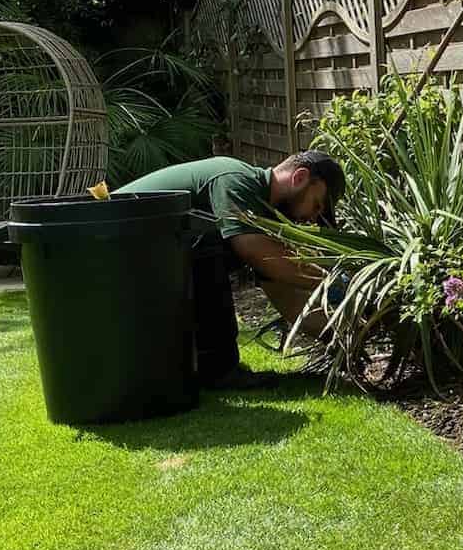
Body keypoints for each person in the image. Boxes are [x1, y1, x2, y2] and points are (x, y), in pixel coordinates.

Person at [118, 150, 344, 389]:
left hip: (135, 264)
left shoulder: (262, 219)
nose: (311, 218)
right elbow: (252, 249)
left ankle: (208, 366)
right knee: (208, 241)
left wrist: (349, 334)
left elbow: (291, 304)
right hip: (108, 250)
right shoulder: (237, 179)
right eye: (316, 205)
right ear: (299, 178)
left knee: (208, 243)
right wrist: (331, 282)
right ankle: (218, 370)